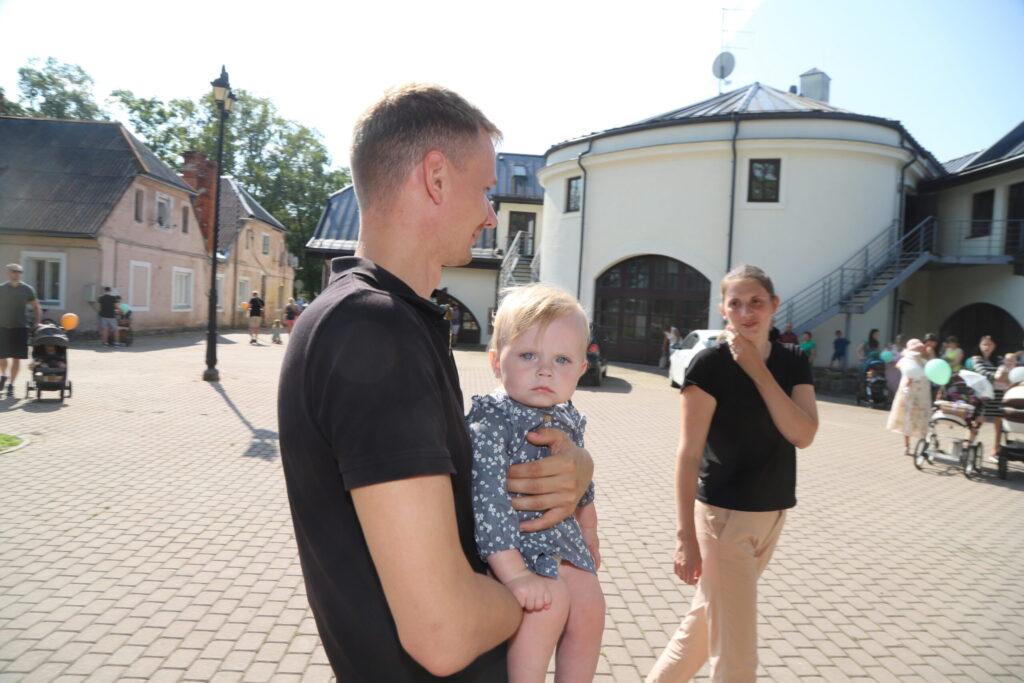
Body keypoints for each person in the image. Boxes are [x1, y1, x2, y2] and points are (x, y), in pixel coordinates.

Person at [276, 83, 594, 681]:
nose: (490, 215)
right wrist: (542, 597)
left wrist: (575, 470)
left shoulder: (371, 318)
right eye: (485, 189)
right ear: (437, 178)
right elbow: (441, 633)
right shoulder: (373, 330)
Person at [647, 264, 818, 683]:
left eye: (756, 302)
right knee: (737, 657)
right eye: (735, 303)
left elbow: (803, 434)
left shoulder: (793, 361)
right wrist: (685, 536)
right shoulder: (709, 365)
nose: (746, 312)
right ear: (723, 310)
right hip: (724, 521)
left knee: (701, 632)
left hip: (771, 514)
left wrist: (758, 371)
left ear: (773, 305)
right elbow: (688, 454)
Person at [468, 284, 605, 682]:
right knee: (548, 605)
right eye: (529, 355)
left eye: (562, 360)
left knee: (591, 605)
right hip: (515, 544)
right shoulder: (493, 420)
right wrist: (514, 574)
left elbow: (580, 485)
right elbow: (487, 501)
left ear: (581, 369)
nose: (545, 370)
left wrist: (590, 531)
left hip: (562, 538)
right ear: (497, 361)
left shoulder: (567, 417)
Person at [0, 263, 43, 397]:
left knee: (16, 358)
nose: (17, 274)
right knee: (2, 358)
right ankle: (4, 375)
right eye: (14, 271)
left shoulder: (27, 289)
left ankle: (11, 385)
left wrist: (37, 322)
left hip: (20, 328)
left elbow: (36, 307)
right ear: (8, 273)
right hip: (2, 327)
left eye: (20, 271)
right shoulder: (2, 288)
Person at [885, 339, 930, 455]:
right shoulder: (906, 360)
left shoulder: (925, 362)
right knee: (907, 418)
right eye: (916, 349)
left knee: (921, 417)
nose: (918, 351)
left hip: (922, 394)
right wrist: (907, 359)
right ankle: (907, 445)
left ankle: (922, 444)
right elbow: (898, 365)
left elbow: (929, 373)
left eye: (920, 349)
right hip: (909, 393)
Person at [971, 336, 1005, 459]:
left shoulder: (1000, 360)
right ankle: (968, 446)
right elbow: (982, 372)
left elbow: (1006, 370)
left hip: (998, 396)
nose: (986, 347)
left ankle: (995, 450)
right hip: (983, 396)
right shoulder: (976, 359)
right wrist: (997, 376)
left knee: (998, 424)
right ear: (980, 346)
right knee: (976, 422)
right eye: (984, 344)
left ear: (994, 346)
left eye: (989, 344)